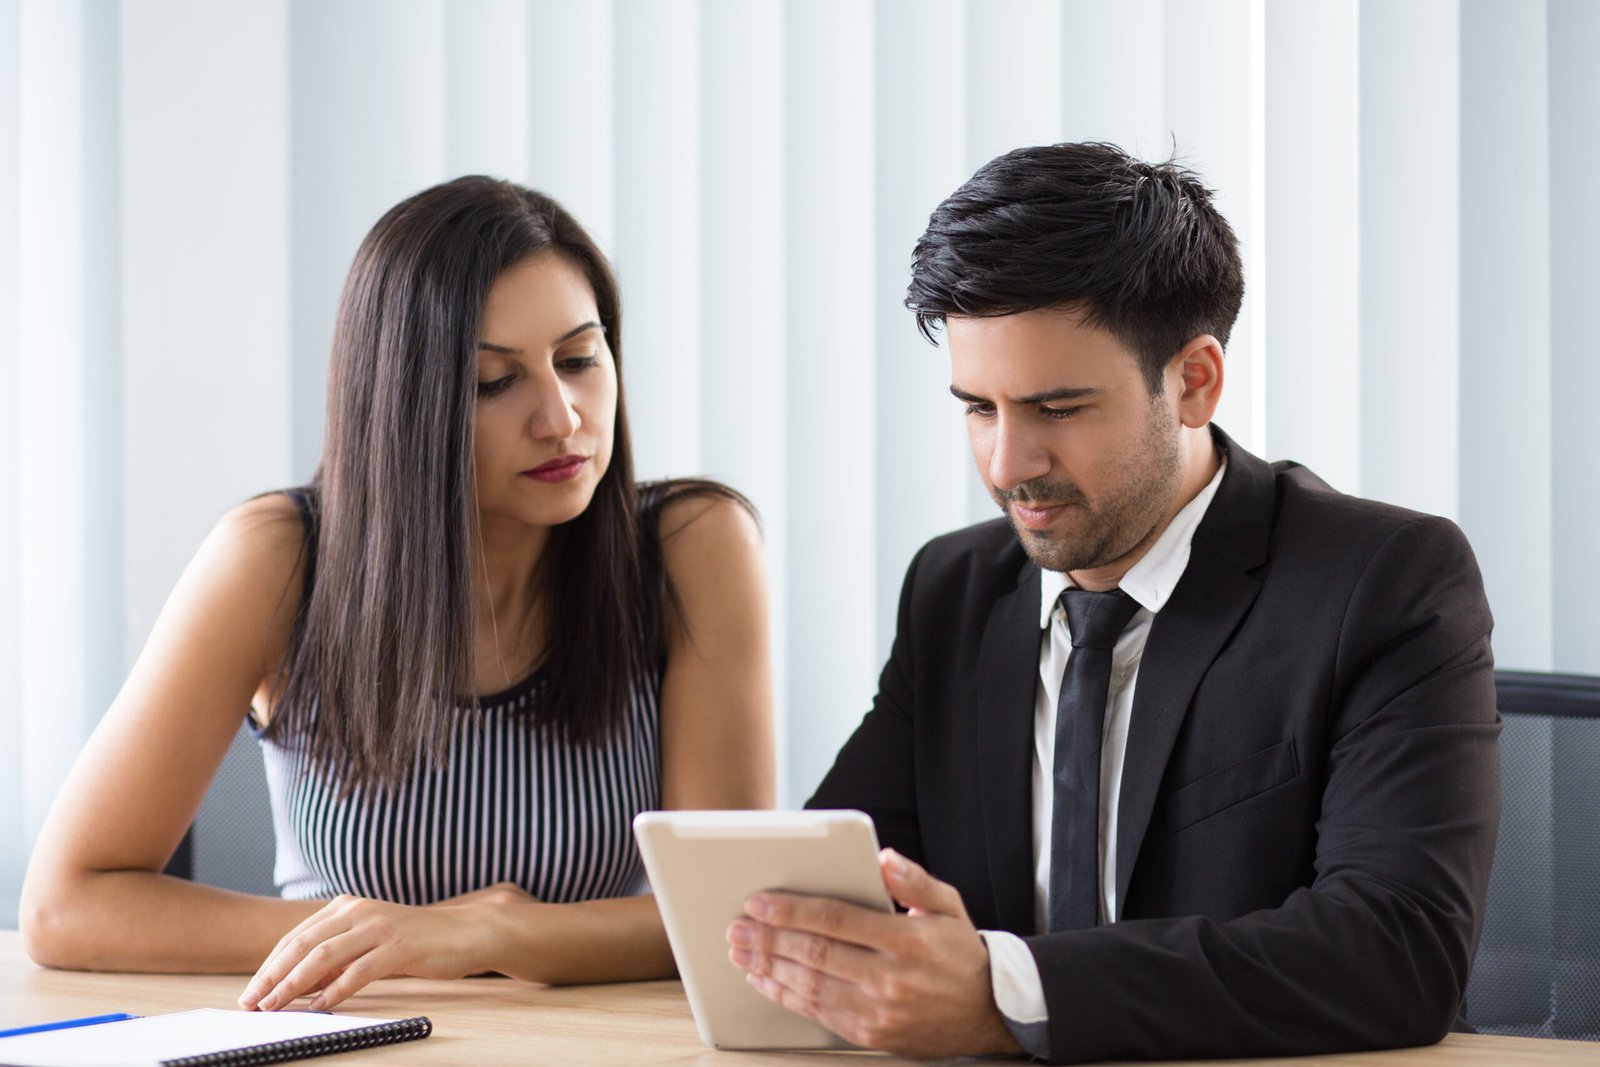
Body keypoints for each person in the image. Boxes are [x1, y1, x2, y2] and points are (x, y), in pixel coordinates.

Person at [725, 143, 1500, 1063]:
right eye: (979, 407)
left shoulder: (1383, 582)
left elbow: (1397, 952)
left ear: (1194, 381)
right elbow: (835, 881)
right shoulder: (956, 592)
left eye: (1057, 408)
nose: (1008, 465)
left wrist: (1006, 995)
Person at [20, 177, 773, 1011]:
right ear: (404, 403)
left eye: (579, 359)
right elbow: (66, 902)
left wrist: (492, 932)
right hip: (354, 1034)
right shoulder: (276, 559)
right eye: (495, 381)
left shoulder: (693, 546)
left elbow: (728, 916)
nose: (561, 418)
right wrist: (376, 935)